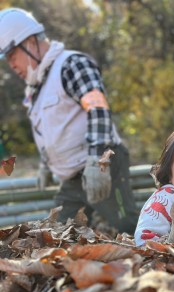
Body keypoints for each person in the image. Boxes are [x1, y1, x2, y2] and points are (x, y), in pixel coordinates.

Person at [0, 7, 138, 234]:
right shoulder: (35, 90)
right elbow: (49, 133)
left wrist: (98, 162)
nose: (12, 65)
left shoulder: (72, 65)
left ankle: (167, 261)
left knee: (127, 227)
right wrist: (45, 165)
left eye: (13, 55)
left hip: (103, 164)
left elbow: (98, 110)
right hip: (73, 180)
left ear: (30, 42)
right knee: (57, 234)